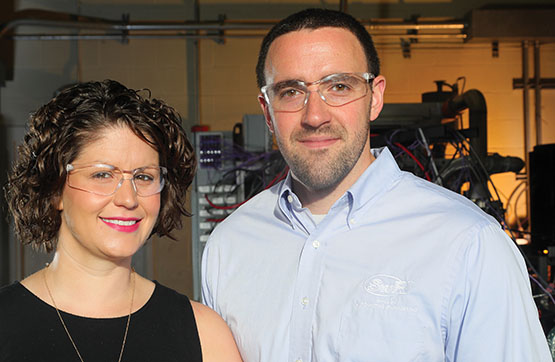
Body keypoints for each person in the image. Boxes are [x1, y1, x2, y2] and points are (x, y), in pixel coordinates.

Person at [201, 8, 551, 362]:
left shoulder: (469, 243)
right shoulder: (229, 245)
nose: (315, 116)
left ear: (375, 97)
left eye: (338, 87)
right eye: (291, 91)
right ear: (267, 110)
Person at [0, 80, 242, 362]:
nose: (128, 198)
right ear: (55, 190)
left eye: (144, 176)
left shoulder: (205, 334)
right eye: (103, 175)